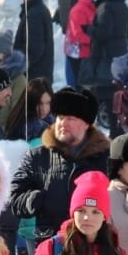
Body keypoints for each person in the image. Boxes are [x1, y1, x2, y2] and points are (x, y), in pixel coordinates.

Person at [9, 88, 109, 244]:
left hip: (94, 245)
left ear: (87, 124)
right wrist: (35, 199)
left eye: (71, 118)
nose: (63, 123)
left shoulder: (105, 157)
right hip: (51, 246)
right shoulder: (37, 156)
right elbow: (14, 197)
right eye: (60, 117)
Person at [80, 0, 128, 137]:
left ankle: (111, 137)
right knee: (116, 101)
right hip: (120, 58)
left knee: (106, 100)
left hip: (106, 61)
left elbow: (103, 33)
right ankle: (117, 133)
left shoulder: (106, 6)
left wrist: (88, 29)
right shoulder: (124, 7)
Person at [15, 0, 54, 83]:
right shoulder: (39, 9)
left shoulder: (34, 14)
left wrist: (18, 66)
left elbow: (33, 49)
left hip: (33, 77)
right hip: (40, 75)